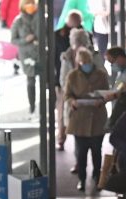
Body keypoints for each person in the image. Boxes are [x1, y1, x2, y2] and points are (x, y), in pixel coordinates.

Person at [64, 48, 109, 192]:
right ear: (78, 62)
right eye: (82, 62)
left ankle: (97, 177)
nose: (85, 65)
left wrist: (101, 100)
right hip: (80, 120)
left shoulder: (101, 75)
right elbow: (67, 95)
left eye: (87, 62)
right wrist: (73, 102)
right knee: (81, 153)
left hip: (97, 118)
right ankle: (82, 179)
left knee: (97, 151)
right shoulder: (72, 76)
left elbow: (106, 94)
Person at [53, 10, 84, 150]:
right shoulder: (58, 35)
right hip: (62, 79)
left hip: (81, 84)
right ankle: (61, 138)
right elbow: (53, 58)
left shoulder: (84, 35)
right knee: (61, 112)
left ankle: (79, 145)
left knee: (79, 114)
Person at [10, 0, 42, 115]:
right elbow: (13, 40)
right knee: (30, 81)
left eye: (32, 3)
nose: (31, 6)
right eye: (28, 3)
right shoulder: (18, 21)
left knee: (45, 81)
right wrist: (25, 40)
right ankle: (32, 106)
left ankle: (45, 107)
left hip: (40, 53)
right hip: (27, 54)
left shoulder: (41, 17)